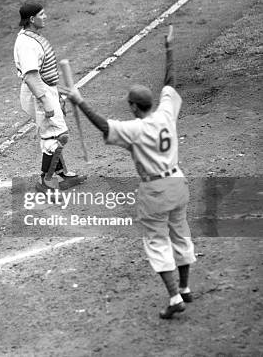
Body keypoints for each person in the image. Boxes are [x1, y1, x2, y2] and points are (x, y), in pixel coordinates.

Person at [65, 26, 196, 319]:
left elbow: (104, 126)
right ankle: (186, 287)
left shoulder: (135, 129)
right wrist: (169, 50)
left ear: (136, 108)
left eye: (129, 105)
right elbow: (170, 83)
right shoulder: (166, 113)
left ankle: (175, 297)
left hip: (155, 192)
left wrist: (78, 100)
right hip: (177, 183)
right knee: (181, 234)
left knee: (157, 243)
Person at [13, 2, 87, 191]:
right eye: (42, 14)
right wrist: (47, 102)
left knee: (54, 133)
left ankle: (62, 174)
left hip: (45, 90)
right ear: (32, 19)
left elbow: (42, 75)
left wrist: (60, 91)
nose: (45, 17)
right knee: (57, 135)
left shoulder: (31, 37)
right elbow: (30, 76)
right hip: (38, 95)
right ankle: (45, 180)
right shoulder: (27, 44)